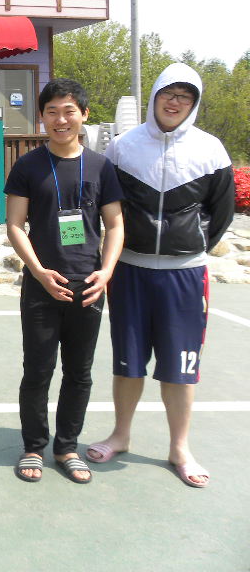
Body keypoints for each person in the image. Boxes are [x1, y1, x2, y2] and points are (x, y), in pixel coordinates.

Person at [86, 63, 234, 488]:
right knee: (127, 363)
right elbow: (107, 206)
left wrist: (189, 245)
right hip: (130, 270)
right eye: (169, 93)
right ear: (154, 96)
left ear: (194, 103)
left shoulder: (211, 150)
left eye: (185, 96)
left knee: (180, 366)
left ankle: (180, 448)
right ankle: (120, 435)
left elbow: (221, 213)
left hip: (184, 276)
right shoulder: (124, 147)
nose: (175, 102)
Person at [5, 78, 124, 484]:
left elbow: (115, 224)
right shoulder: (28, 166)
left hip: (88, 285)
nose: (61, 119)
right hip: (41, 286)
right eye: (52, 111)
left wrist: (106, 271)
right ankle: (34, 446)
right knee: (37, 370)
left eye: (69, 111)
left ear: (84, 115)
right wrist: (38, 271)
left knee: (79, 372)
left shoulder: (101, 166)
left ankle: (67, 447)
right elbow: (15, 225)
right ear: (41, 117)